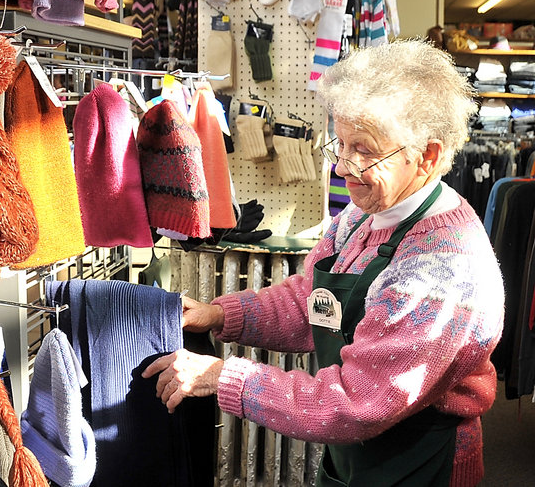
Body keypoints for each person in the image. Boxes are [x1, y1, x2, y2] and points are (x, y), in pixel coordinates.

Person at [143, 39, 505, 487]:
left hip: (418, 465)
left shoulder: (443, 269)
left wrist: (224, 377)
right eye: (342, 144)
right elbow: (311, 303)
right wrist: (220, 314)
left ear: (427, 156)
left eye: (366, 151)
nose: (342, 168)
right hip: (357, 457)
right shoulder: (361, 217)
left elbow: (358, 402)